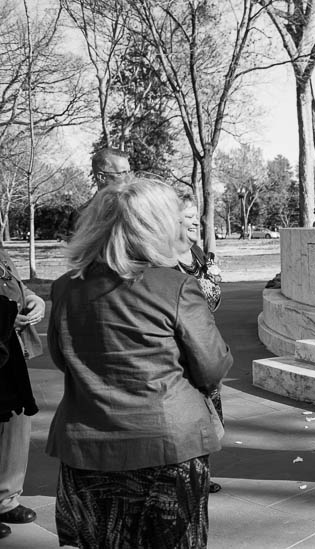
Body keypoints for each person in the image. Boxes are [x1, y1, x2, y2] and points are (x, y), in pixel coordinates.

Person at [47, 178, 233, 548]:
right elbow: (212, 367)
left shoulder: (67, 286)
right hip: (167, 447)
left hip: (88, 444)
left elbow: (60, 356)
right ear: (157, 225)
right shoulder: (175, 286)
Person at [178, 193, 223, 494]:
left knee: (211, 416)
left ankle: (201, 474)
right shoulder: (163, 259)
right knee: (188, 415)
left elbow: (211, 302)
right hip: (183, 348)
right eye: (188, 215)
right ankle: (184, 476)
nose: (196, 220)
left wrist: (213, 284)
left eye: (197, 214)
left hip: (205, 339)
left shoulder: (196, 253)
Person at [0, 249, 46, 540]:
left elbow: (14, 284)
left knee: (16, 422)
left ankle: (6, 499)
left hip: (11, 352)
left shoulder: (2, 253)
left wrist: (33, 299)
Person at [67, 148, 132, 239]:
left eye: (129, 172)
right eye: (122, 173)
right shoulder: (80, 215)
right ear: (101, 177)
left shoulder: (136, 208)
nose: (129, 178)